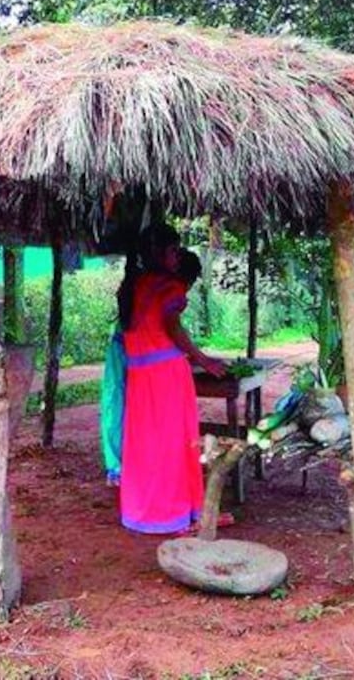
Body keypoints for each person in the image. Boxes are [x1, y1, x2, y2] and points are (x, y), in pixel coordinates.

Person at [116, 225, 226, 534]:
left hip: (139, 377)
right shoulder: (169, 286)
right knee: (175, 444)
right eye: (174, 250)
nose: (177, 256)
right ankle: (176, 513)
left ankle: (144, 512)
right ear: (159, 253)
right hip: (166, 378)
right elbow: (173, 327)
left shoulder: (134, 285)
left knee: (145, 446)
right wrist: (202, 358)